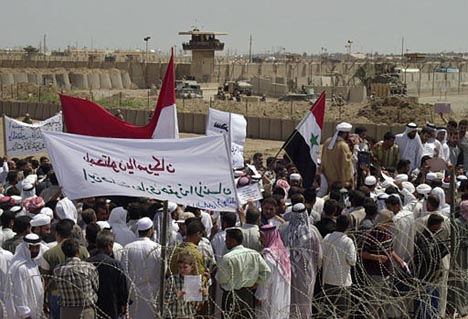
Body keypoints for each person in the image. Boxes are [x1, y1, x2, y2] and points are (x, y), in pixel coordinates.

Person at [40, 219, 90, 319]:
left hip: (56, 296)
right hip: (80, 295)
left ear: (57, 234)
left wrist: (43, 301)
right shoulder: (83, 251)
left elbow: (45, 280)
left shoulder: (48, 254)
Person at [216, 228, 271, 319]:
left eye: (227, 239)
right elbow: (266, 271)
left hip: (231, 295)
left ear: (233, 241)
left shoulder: (227, 258)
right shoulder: (254, 254)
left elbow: (221, 279)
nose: (225, 241)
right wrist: (257, 283)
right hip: (248, 294)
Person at [282, 203, 322, 319]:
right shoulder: (312, 233)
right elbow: (319, 255)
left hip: (289, 272)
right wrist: (316, 268)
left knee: (291, 299)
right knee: (305, 298)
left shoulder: (285, 230)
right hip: (307, 272)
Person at [121, 217, 161, 318]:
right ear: (150, 230)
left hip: (134, 293)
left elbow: (124, 271)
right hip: (153, 293)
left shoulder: (128, 248)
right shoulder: (157, 248)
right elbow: (162, 271)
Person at [320, 215, 357, 318]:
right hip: (342, 281)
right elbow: (353, 261)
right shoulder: (348, 241)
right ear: (348, 226)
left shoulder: (327, 237)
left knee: (328, 311)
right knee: (343, 312)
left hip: (327, 279)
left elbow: (320, 255)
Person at [87, 230, 129, 319]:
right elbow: (122, 288)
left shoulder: (87, 263)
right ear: (109, 245)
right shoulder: (114, 264)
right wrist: (124, 305)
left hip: (92, 308)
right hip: (111, 308)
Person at [413, 214, 449, 319]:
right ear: (434, 225)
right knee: (425, 300)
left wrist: (444, 249)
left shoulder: (433, 236)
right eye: (439, 225)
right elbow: (428, 257)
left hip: (434, 274)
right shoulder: (423, 238)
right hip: (426, 274)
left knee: (434, 298)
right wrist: (441, 251)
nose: (440, 227)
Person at [54, 238, 99, 319]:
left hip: (66, 312)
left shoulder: (57, 270)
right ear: (78, 251)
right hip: (85, 311)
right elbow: (96, 287)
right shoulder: (88, 267)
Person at [255, 224, 291, 319]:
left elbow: (265, 280)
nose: (260, 240)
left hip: (270, 295)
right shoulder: (282, 252)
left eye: (262, 237)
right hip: (280, 294)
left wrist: (260, 296)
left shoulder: (269, 256)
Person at [8, 234, 47, 319]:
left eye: (37, 247)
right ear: (25, 247)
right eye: (31, 247)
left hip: (36, 312)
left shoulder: (33, 263)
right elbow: (19, 293)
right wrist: (25, 314)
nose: (34, 250)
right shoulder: (21, 268)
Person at [164, 253, 208, 319]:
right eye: (180, 267)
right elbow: (164, 299)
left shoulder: (195, 282)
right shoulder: (172, 280)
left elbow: (198, 303)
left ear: (192, 267)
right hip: (173, 315)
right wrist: (176, 295)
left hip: (188, 315)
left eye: (185, 267)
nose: (182, 270)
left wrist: (204, 294)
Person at [321, 122, 354, 188]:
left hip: (328, 177)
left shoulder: (327, 141)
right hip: (339, 180)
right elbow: (346, 164)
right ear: (345, 134)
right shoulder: (343, 145)